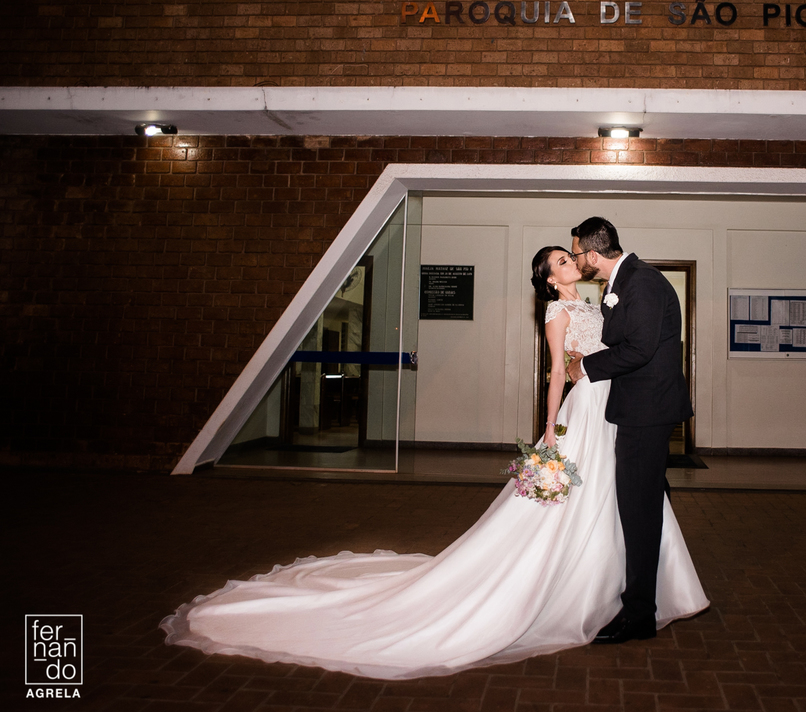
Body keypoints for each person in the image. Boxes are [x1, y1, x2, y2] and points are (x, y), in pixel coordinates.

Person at [159, 244, 707, 681]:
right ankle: (575, 579)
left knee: (619, 493)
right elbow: (558, 374)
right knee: (583, 496)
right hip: (582, 409)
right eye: (560, 262)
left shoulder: (595, 304)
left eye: (570, 257)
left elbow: (623, 350)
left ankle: (620, 580)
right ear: (548, 279)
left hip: (616, 405)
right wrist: (547, 431)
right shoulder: (558, 311)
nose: (569, 263)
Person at [566, 217, 694, 645]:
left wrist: (584, 366)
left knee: (638, 511)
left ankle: (639, 614)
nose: (577, 260)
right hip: (639, 407)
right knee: (647, 503)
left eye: (577, 253)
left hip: (647, 410)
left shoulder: (643, 283)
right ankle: (663, 586)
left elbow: (638, 349)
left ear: (593, 254)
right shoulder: (623, 283)